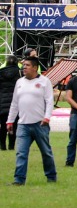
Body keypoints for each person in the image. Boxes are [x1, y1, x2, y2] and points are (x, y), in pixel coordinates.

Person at [6, 56, 56, 185]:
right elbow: (14, 103)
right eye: (23, 65)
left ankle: (51, 177)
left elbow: (49, 101)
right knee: (21, 153)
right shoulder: (20, 82)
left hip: (40, 123)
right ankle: (19, 179)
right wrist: (10, 121)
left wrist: (47, 117)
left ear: (35, 67)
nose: (24, 67)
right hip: (23, 124)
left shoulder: (45, 81)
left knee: (46, 152)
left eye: (27, 65)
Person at [0, 55, 18, 152]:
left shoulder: (1, 73)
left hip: (2, 103)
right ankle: (11, 145)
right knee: (13, 126)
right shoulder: (19, 73)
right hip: (14, 103)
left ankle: (2, 145)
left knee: (3, 125)